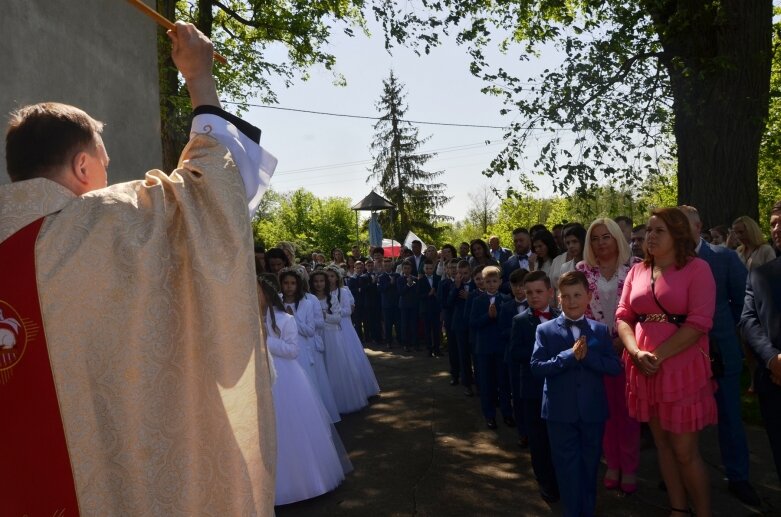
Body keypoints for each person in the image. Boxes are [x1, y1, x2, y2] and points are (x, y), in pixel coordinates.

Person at [0, 22, 277, 515]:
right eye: (105, 163)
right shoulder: (100, 225)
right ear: (84, 167)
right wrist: (199, 77)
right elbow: (211, 188)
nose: (108, 175)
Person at [616, 207, 717, 517]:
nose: (650, 236)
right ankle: (678, 509)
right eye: (649, 230)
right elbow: (622, 316)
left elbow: (699, 322)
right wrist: (635, 352)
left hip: (680, 369)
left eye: (659, 230)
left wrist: (656, 356)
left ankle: (703, 513)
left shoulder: (698, 269)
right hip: (643, 367)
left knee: (685, 452)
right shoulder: (636, 271)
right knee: (661, 444)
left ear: (677, 235)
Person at [679, 206, 759, 506]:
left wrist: (737, 343)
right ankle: (680, 473)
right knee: (683, 420)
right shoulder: (667, 262)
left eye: (684, 225)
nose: (679, 231)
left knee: (730, 418)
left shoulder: (723, 259)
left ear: (699, 226)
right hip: (682, 358)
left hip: (721, 354)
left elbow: (743, 305)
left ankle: (738, 477)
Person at [531, 271, 622, 517]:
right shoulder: (546, 331)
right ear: (558, 299)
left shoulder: (600, 331)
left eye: (577, 295)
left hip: (592, 411)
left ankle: (587, 511)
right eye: (566, 296)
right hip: (560, 413)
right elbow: (537, 367)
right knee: (567, 469)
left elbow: (615, 367)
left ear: (589, 296)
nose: (572, 301)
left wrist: (589, 357)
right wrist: (568, 357)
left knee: (589, 467)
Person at [256, 275, 352, 506]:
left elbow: (291, 350)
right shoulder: (248, 321)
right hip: (258, 378)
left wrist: (263, 340)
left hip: (284, 378)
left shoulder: (285, 319)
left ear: (266, 296)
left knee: (288, 426)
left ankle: (299, 482)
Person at [576, 217, 641, 494]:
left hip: (629, 347)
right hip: (596, 349)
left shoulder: (636, 267)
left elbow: (642, 308)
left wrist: (623, 340)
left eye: (606, 236)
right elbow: (579, 308)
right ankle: (612, 463)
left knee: (628, 412)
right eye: (595, 238)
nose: (601, 243)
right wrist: (601, 340)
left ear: (617, 238)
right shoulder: (582, 269)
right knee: (604, 411)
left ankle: (629, 466)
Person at [740, 200, 781, 484]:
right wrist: (772, 359)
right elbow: (749, 320)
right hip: (774, 379)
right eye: (773, 223)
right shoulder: (761, 274)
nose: (776, 229)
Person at [510, 270, 559, 503]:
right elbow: (514, 353)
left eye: (539, 291)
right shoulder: (520, 321)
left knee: (558, 437)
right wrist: (539, 353)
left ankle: (560, 477)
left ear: (550, 292)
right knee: (538, 439)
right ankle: (545, 481)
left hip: (560, 389)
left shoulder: (561, 316)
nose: (533, 296)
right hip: (532, 389)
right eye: (529, 292)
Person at [279, 268, 340, 424]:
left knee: (307, 385)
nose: (289, 287)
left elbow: (310, 330)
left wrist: (292, 319)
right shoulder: (277, 301)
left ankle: (311, 420)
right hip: (283, 350)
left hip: (303, 350)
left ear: (299, 285)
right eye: (286, 283)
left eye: (293, 283)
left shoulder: (306, 303)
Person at [310, 270, 368, 414]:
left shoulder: (333, 298)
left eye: (322, 281)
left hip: (332, 336)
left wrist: (324, 315)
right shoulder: (309, 299)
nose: (319, 284)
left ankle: (340, 401)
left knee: (336, 367)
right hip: (317, 336)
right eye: (316, 281)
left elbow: (337, 318)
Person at [326, 266, 380, 398]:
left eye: (332, 276)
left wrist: (334, 313)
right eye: (327, 276)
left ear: (337, 277)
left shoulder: (343, 291)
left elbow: (348, 310)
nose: (329, 279)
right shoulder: (323, 293)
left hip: (344, 326)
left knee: (350, 354)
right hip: (329, 327)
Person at [470, 265, 513, 429]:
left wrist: (498, 315)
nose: (491, 284)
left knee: (503, 382)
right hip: (484, 348)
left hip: (501, 347)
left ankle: (507, 413)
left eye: (494, 281)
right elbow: (473, 323)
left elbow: (509, 323)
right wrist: (487, 317)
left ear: (500, 282)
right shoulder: (478, 300)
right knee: (487, 383)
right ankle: (489, 415)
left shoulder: (506, 299)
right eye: (488, 281)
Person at [498, 267, 530, 446]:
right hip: (513, 357)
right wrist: (519, 331)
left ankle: (535, 429)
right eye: (515, 285)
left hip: (533, 356)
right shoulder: (506, 306)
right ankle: (523, 432)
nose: (518, 289)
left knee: (533, 395)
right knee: (517, 394)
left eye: (522, 285)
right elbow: (501, 331)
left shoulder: (535, 305)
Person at [449, 260, 475, 395]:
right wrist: (457, 287)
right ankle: (467, 384)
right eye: (460, 273)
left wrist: (469, 296)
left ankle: (479, 382)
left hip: (474, 324)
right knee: (463, 355)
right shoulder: (455, 285)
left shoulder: (476, 283)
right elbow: (448, 303)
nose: (463, 276)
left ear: (470, 272)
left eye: (465, 273)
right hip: (460, 324)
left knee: (475, 355)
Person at [438, 258, 460, 384]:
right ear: (446, 270)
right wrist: (455, 289)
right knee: (453, 348)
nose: (453, 270)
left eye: (456, 267)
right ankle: (455, 374)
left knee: (464, 349)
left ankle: (467, 373)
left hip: (463, 321)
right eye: (451, 267)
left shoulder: (464, 282)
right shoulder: (444, 284)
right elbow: (444, 303)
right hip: (451, 319)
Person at [419, 259, 442, 358]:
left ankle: (437, 349)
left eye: (430, 268)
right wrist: (429, 294)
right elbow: (419, 295)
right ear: (424, 269)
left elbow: (441, 292)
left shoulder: (438, 278)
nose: (429, 270)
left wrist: (436, 294)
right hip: (426, 309)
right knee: (427, 330)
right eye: (427, 268)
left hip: (436, 308)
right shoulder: (421, 280)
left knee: (437, 330)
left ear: (433, 268)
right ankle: (429, 349)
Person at [502, 227, 536, 293]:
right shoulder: (507, 264)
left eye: (521, 240)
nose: (518, 244)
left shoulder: (539, 258)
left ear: (529, 240)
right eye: (515, 241)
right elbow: (503, 286)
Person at [398, 260, 420, 352]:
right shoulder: (399, 279)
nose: (407, 270)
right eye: (405, 268)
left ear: (411, 269)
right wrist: (408, 285)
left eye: (408, 268)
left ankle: (415, 344)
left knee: (414, 324)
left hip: (414, 305)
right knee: (404, 325)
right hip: (404, 305)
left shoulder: (415, 279)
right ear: (402, 269)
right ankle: (405, 344)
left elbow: (417, 292)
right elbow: (400, 292)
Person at [378, 257, 400, 347]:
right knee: (388, 324)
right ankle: (388, 341)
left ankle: (399, 340)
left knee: (398, 323)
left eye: (389, 265)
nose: (387, 267)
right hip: (386, 304)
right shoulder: (381, 277)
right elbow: (380, 289)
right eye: (385, 265)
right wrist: (389, 283)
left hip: (396, 303)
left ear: (392, 265)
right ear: (383, 266)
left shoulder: (397, 275)